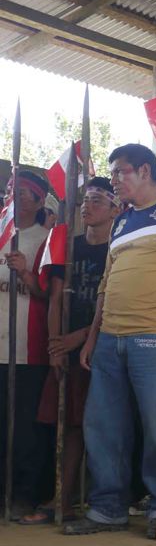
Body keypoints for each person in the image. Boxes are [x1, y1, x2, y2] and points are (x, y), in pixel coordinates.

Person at [62, 143, 156, 540]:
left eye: (120, 173)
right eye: (113, 174)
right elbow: (107, 285)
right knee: (103, 426)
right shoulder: (123, 222)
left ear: (145, 171)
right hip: (110, 338)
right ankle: (108, 507)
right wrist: (93, 336)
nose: (115, 181)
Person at [19, 178, 120, 525]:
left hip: (104, 345)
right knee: (69, 423)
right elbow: (56, 298)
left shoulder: (121, 249)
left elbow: (117, 303)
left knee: (106, 426)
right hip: (67, 347)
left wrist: (81, 337)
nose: (86, 207)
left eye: (95, 201)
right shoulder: (68, 244)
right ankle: (61, 498)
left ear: (114, 208)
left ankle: (104, 499)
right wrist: (55, 345)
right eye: (84, 201)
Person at [0, 170, 55, 516]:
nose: (14, 197)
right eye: (10, 191)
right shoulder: (2, 232)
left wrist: (25, 274)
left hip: (27, 348)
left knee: (25, 428)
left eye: (22, 193)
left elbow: (50, 294)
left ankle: (24, 492)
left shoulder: (47, 240)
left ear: (38, 201)